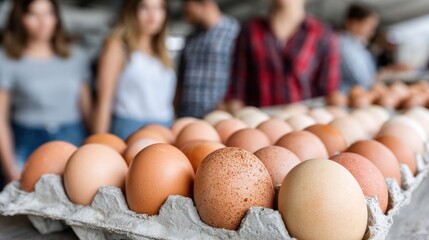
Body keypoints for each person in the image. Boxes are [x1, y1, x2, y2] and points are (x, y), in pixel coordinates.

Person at [0, 0, 92, 182]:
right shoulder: (7, 59)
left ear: (56, 18)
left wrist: (97, 147)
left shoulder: (76, 56)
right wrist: (9, 167)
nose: (42, 22)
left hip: (72, 138)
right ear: (20, 19)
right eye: (33, 14)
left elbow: (87, 110)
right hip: (26, 141)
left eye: (48, 13)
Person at [225, 0, 340, 111]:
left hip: (304, 122)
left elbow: (329, 95)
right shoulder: (250, 31)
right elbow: (237, 90)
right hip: (259, 121)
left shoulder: (323, 35)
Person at [94, 0, 176, 140]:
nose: (152, 14)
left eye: (159, 8)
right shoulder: (117, 47)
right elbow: (104, 102)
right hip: (130, 130)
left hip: (165, 128)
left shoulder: (163, 52)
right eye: (144, 7)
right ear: (132, 11)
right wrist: (99, 143)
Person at [176, 0, 239, 118]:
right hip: (186, 115)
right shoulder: (190, 39)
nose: (185, 16)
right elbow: (180, 80)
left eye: (187, 7)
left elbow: (243, 76)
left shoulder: (234, 33)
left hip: (217, 117)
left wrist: (229, 103)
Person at [340, 4, 379, 93]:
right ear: (353, 23)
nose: (371, 30)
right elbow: (362, 80)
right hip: (349, 95)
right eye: (368, 24)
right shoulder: (345, 46)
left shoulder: (357, 45)